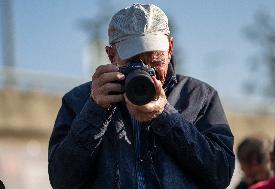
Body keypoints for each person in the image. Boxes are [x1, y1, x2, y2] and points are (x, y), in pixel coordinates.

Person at [48, 3, 235, 189]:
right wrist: (95, 112)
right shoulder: (78, 101)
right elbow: (62, 181)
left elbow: (221, 174)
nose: (147, 71)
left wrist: (166, 117)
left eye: (156, 61)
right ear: (111, 55)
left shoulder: (200, 96)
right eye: (134, 63)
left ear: (170, 48)